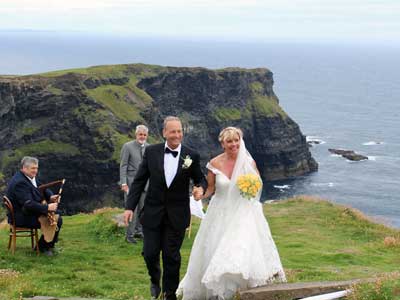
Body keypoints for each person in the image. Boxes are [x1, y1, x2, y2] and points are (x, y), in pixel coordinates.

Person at [177, 127, 286, 299]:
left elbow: (258, 185)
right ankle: (219, 291)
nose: (233, 144)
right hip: (220, 212)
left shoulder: (249, 163)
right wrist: (199, 194)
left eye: (236, 140)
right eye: (229, 141)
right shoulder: (214, 164)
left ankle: (243, 287)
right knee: (215, 248)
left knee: (239, 248)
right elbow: (210, 188)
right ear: (222, 144)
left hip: (243, 212)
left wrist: (249, 189)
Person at [124, 116, 207, 300]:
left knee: (171, 256)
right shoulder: (152, 152)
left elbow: (200, 178)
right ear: (164, 133)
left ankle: (170, 294)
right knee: (150, 253)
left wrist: (200, 188)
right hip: (153, 213)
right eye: (173, 131)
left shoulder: (191, 155)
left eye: (179, 131)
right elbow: (139, 181)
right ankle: (155, 280)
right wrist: (130, 207)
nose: (177, 135)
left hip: (177, 215)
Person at [6, 156, 62, 256]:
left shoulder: (28, 177)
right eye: (33, 168)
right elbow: (28, 204)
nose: (35, 171)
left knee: (56, 214)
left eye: (36, 168)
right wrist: (47, 208)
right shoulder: (20, 182)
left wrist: (50, 196)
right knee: (56, 218)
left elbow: (40, 187)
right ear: (24, 168)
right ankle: (44, 247)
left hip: (26, 212)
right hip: (21, 217)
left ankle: (47, 244)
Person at [120, 124, 150, 244]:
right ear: (136, 134)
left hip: (146, 184)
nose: (142, 136)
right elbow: (123, 165)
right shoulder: (127, 146)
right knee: (132, 209)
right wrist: (123, 183)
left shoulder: (149, 147)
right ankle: (129, 236)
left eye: (144, 135)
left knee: (143, 209)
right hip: (131, 184)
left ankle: (139, 231)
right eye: (140, 134)